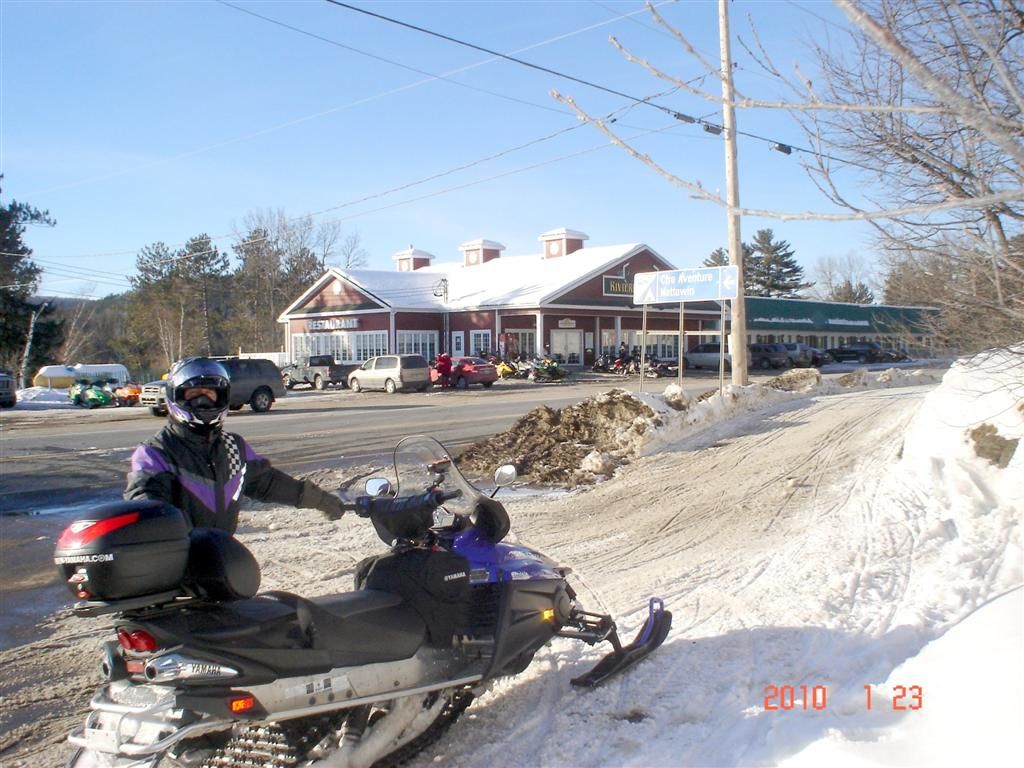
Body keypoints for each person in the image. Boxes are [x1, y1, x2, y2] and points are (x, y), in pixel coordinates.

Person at [125, 357, 345, 532]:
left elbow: (267, 482)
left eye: (210, 394)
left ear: (222, 398)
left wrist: (320, 499)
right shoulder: (156, 452)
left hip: (220, 555)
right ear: (176, 397)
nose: (203, 402)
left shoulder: (232, 447)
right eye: (193, 395)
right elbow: (145, 501)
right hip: (174, 562)